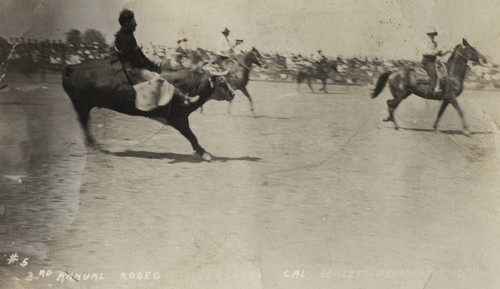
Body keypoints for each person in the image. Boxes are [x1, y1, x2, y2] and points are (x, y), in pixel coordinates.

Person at [114, 9, 183, 110]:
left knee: (156, 72)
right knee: (156, 77)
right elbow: (135, 60)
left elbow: (140, 55)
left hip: (131, 67)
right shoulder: (124, 38)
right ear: (126, 23)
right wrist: (149, 67)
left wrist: (151, 64)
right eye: (133, 22)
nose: (136, 24)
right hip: (130, 70)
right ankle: (181, 98)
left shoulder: (127, 36)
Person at [421, 28, 450, 96]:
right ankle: (434, 89)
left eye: (433, 35)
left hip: (433, 61)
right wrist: (435, 52)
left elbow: (439, 54)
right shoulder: (425, 43)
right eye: (431, 35)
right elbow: (425, 52)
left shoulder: (435, 43)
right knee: (433, 73)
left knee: (443, 71)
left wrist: (447, 51)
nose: (432, 36)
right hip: (427, 60)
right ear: (428, 35)